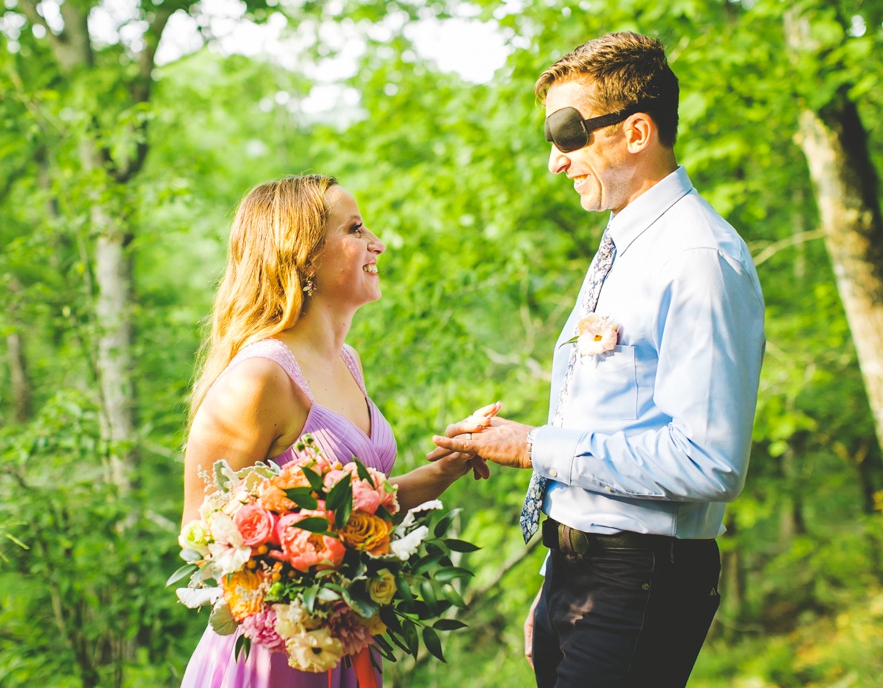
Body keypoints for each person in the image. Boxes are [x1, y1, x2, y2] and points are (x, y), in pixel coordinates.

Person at [433, 32, 766, 687]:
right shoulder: (625, 243)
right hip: (581, 572)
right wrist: (553, 584)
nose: (555, 162)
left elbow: (709, 462)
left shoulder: (697, 259)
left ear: (636, 132)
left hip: (639, 580)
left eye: (568, 135)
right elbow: (606, 415)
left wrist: (532, 446)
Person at [179, 174, 485, 686]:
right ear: (301, 255)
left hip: (342, 644)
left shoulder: (349, 362)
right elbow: (199, 536)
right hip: (270, 657)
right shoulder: (259, 379)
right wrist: (299, 574)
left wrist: (447, 468)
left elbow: (365, 508)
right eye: (356, 229)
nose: (377, 244)